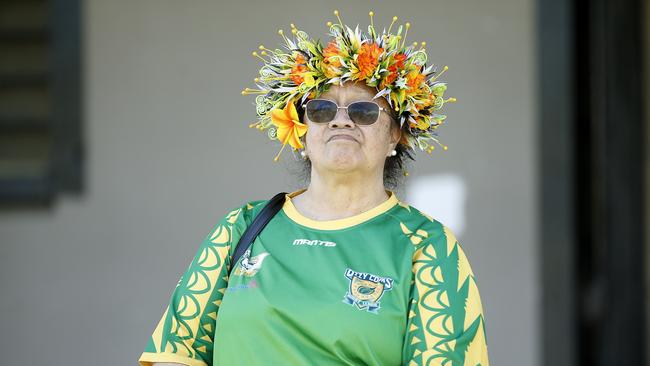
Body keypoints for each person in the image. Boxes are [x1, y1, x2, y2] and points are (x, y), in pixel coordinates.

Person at [139, 10, 490, 366]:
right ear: (301, 133)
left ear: (395, 136)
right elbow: (175, 355)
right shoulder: (242, 227)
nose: (341, 119)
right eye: (321, 109)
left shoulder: (426, 245)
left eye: (364, 111)